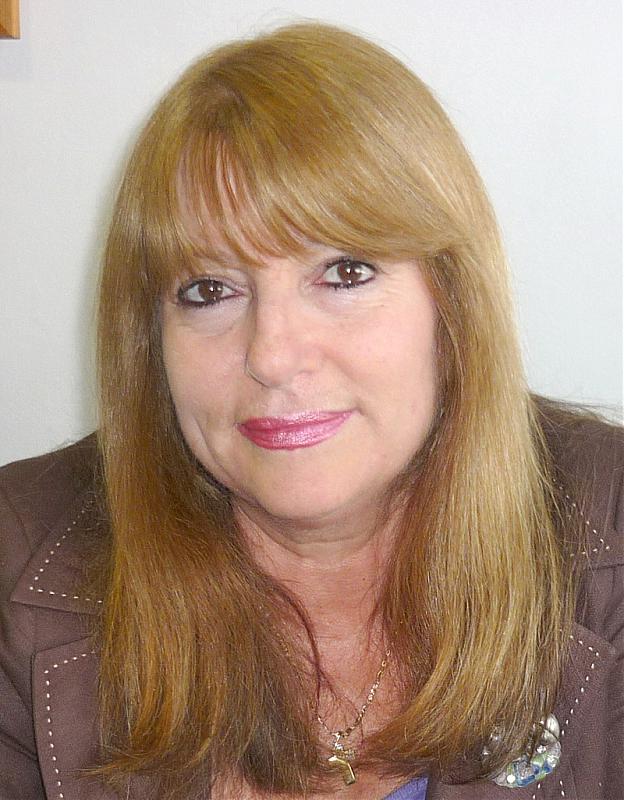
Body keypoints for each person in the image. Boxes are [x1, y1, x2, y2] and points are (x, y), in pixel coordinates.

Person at [0, 21, 622, 800]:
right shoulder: (13, 558)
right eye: (209, 290)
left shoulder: (611, 520)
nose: (272, 354)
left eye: (344, 272)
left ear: (452, 302)